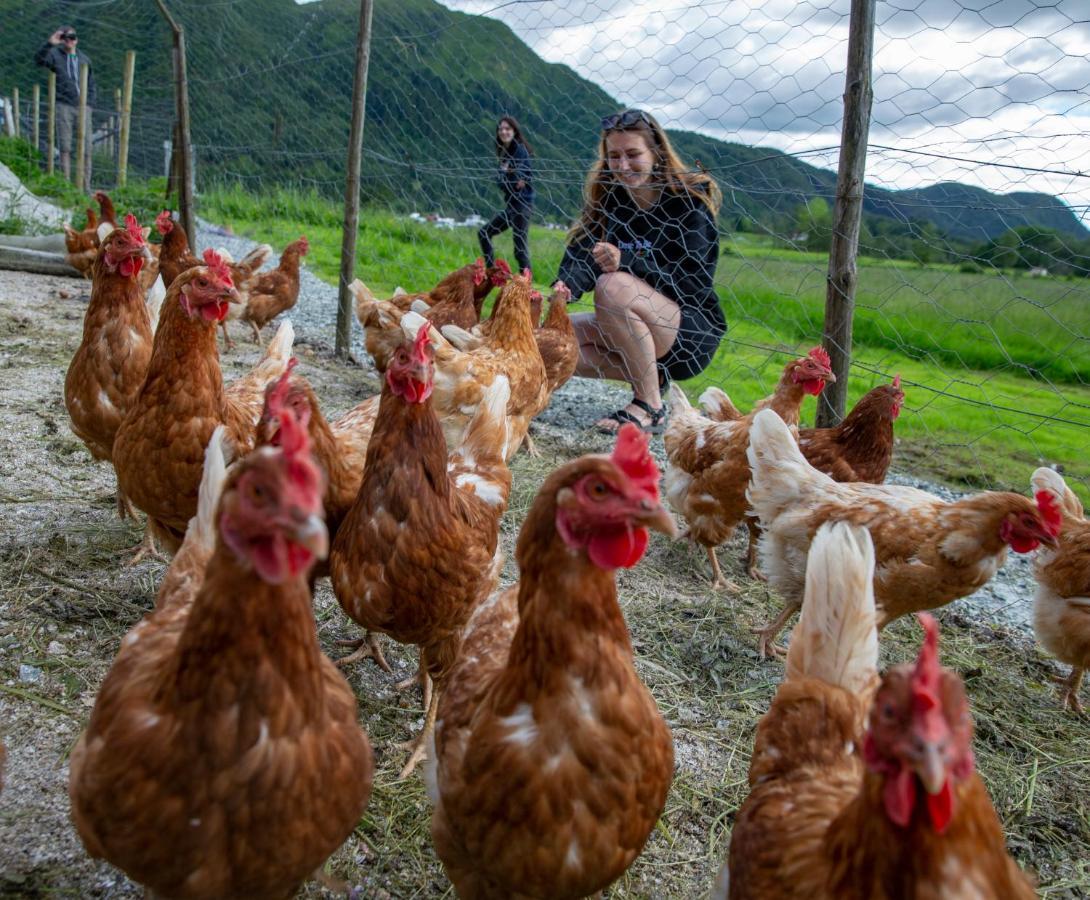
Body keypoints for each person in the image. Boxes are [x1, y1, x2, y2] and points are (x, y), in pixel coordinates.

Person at [553, 108, 723, 434]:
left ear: (656, 152)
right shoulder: (612, 200)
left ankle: (650, 406)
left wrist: (628, 263)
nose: (622, 165)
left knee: (612, 286)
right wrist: (566, 288)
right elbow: (583, 253)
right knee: (555, 341)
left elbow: (694, 284)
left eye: (633, 154)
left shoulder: (688, 204)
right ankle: (652, 378)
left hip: (688, 331)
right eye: (614, 156)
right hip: (635, 329)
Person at [34, 25, 96, 184]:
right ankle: (67, 183)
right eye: (65, 37)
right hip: (64, 106)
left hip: (84, 107)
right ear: (61, 40)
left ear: (77, 40)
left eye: (72, 37)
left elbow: (92, 83)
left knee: (87, 148)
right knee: (65, 146)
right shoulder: (55, 55)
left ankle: (85, 185)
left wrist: (90, 104)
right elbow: (39, 61)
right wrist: (50, 43)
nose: (69, 40)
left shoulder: (85, 59)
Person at [478, 116, 534, 273]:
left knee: (520, 249)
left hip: (522, 205)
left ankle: (527, 288)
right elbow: (505, 182)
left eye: (507, 128)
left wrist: (508, 176)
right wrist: (508, 178)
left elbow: (518, 180)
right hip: (512, 206)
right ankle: (490, 273)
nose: (503, 131)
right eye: (501, 129)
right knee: (484, 233)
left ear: (514, 131)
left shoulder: (520, 150)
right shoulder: (506, 153)